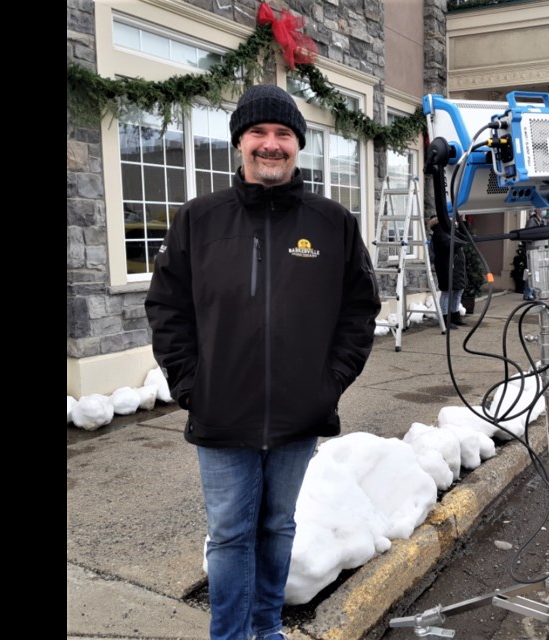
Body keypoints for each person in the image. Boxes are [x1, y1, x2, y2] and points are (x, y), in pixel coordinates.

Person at [144, 84, 381, 640]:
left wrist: (329, 384)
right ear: (239, 143)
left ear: (298, 145)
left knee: (277, 527)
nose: (270, 145)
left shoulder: (332, 224)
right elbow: (166, 307)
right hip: (221, 414)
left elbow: (359, 309)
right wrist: (192, 385)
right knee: (229, 534)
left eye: (282, 134)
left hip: (300, 414)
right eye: (258, 133)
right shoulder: (199, 221)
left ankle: (267, 627)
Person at [429, 215, 468, 329]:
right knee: (447, 291)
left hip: (456, 266)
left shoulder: (447, 230)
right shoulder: (440, 231)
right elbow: (447, 245)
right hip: (447, 266)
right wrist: (462, 242)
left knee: (458, 290)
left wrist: (463, 222)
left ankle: (455, 316)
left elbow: (463, 234)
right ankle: (445, 318)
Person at [522, 208, 546, 299]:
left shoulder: (542, 221)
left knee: (537, 272)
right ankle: (527, 293)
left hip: (539, 249)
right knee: (531, 271)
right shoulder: (532, 221)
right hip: (532, 249)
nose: (544, 211)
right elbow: (527, 235)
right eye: (542, 209)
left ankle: (534, 291)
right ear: (537, 210)